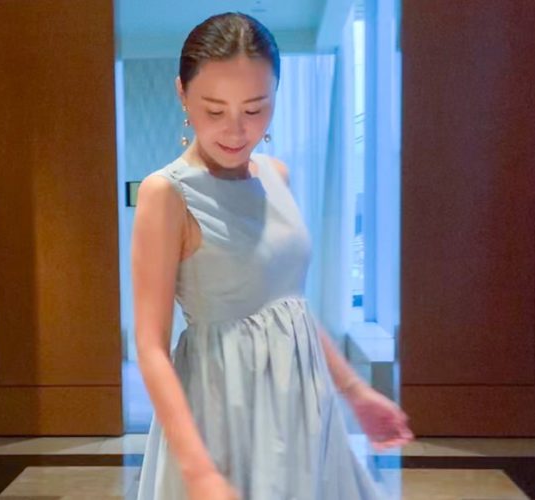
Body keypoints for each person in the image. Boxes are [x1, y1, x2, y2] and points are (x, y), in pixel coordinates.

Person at [131, 12, 413, 500]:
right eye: (214, 110)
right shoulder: (167, 193)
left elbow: (288, 308)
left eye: (256, 108)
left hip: (304, 410)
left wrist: (354, 392)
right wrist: (199, 473)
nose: (237, 130)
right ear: (182, 93)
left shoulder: (276, 175)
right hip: (224, 415)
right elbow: (151, 347)